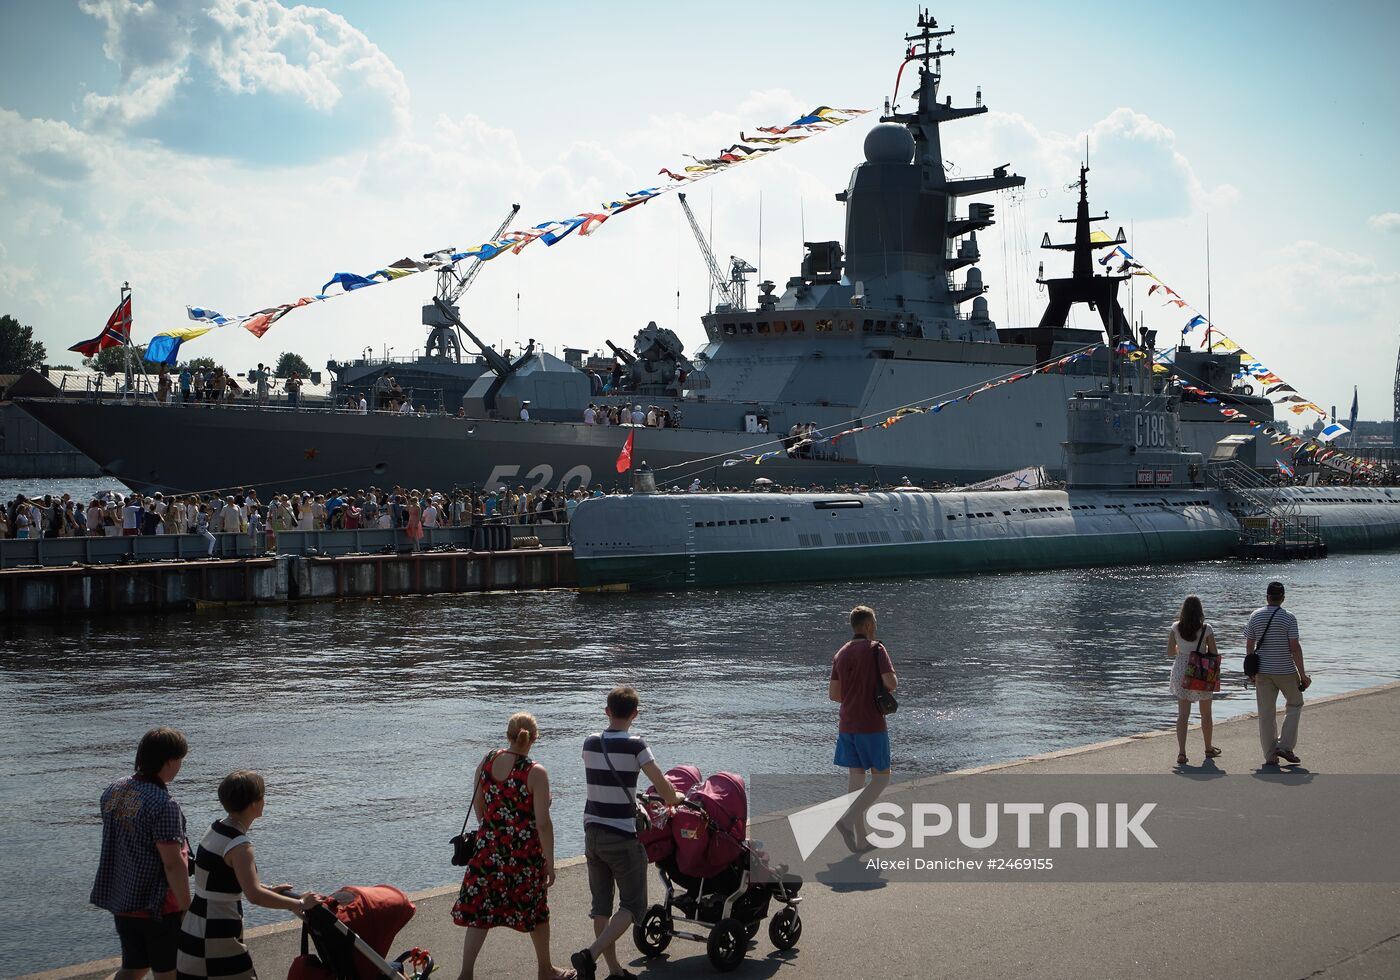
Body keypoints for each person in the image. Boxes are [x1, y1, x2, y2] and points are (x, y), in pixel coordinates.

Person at [571, 687, 682, 980]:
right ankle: (590, 956)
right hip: (620, 835)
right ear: (635, 713)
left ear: (606, 711)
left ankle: (615, 971)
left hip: (592, 833)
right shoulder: (636, 745)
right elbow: (661, 785)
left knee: (601, 907)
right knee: (634, 906)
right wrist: (676, 798)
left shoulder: (590, 742)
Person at [451, 714, 573, 980]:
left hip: (487, 852)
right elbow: (543, 824)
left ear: (508, 734)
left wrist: (493, 833)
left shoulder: (487, 761)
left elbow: (480, 807)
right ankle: (545, 970)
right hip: (524, 855)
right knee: (536, 912)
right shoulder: (535, 772)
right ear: (534, 738)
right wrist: (550, 863)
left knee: (480, 914)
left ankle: (466, 974)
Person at [176, 771, 322, 979]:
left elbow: (222, 881)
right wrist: (300, 903)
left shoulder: (215, 829)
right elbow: (255, 896)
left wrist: (269, 890)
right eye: (262, 795)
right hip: (219, 932)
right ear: (254, 804)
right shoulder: (240, 846)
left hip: (195, 925)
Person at [90, 727, 191, 980]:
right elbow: (172, 864)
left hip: (123, 899)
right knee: (168, 972)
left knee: (134, 967)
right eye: (180, 760)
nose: (180, 766)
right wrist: (187, 908)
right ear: (169, 762)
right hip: (157, 907)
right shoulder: (164, 805)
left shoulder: (114, 790)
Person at [828, 605, 897, 851]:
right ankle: (846, 821)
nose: (875, 628)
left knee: (856, 781)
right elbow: (891, 682)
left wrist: (854, 692)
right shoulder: (876, 649)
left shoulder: (841, 653)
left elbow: (834, 694)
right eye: (874, 624)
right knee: (881, 778)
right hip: (871, 724)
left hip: (847, 725)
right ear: (868, 626)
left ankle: (861, 839)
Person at [1245, 581, 1310, 766]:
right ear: (1283, 598)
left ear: (1267, 597)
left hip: (1263, 672)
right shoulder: (1289, 618)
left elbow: (1249, 644)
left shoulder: (1255, 616)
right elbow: (1294, 648)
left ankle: (1270, 755)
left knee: (1266, 713)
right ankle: (1285, 745)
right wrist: (1303, 675)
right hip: (1286, 671)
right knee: (1295, 704)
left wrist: (1251, 670)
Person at [1167, 595, 1221, 764]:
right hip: (1200, 671)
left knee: (1182, 715)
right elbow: (1213, 651)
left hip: (1181, 669)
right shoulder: (1207, 629)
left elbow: (1170, 652)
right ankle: (1208, 748)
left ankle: (1182, 753)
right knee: (1206, 714)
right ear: (1200, 611)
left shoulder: (1176, 627)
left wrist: (1181, 648)